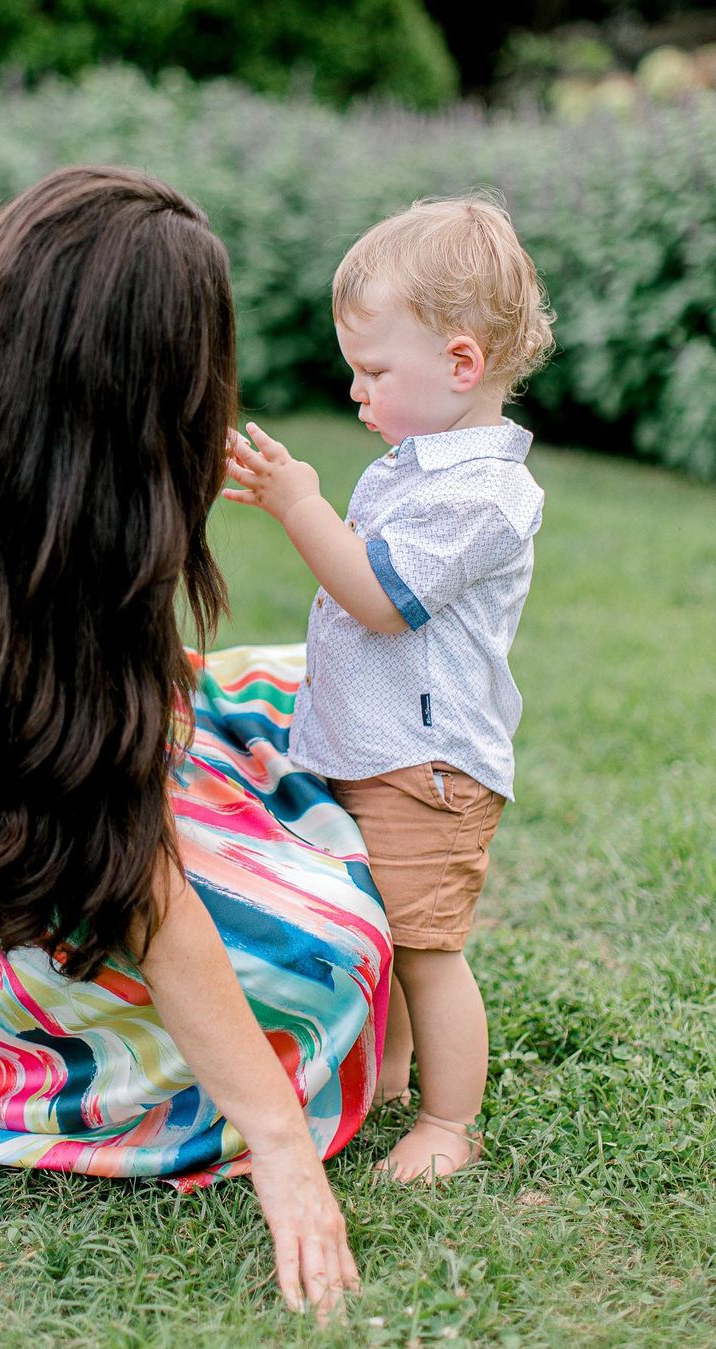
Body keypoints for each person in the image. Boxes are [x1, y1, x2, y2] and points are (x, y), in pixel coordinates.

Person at [0, 165, 392, 1322]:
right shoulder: (52, 565)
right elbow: (143, 892)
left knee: (304, 688)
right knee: (331, 958)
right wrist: (279, 1142)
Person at [224, 193, 555, 1183]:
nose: (357, 391)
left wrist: (301, 506)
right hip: (377, 749)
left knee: (426, 948)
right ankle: (396, 1073)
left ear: (461, 364)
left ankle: (450, 1120)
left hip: (427, 768)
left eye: (374, 371)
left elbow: (378, 599)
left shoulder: (484, 495)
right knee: (387, 931)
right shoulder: (417, 468)